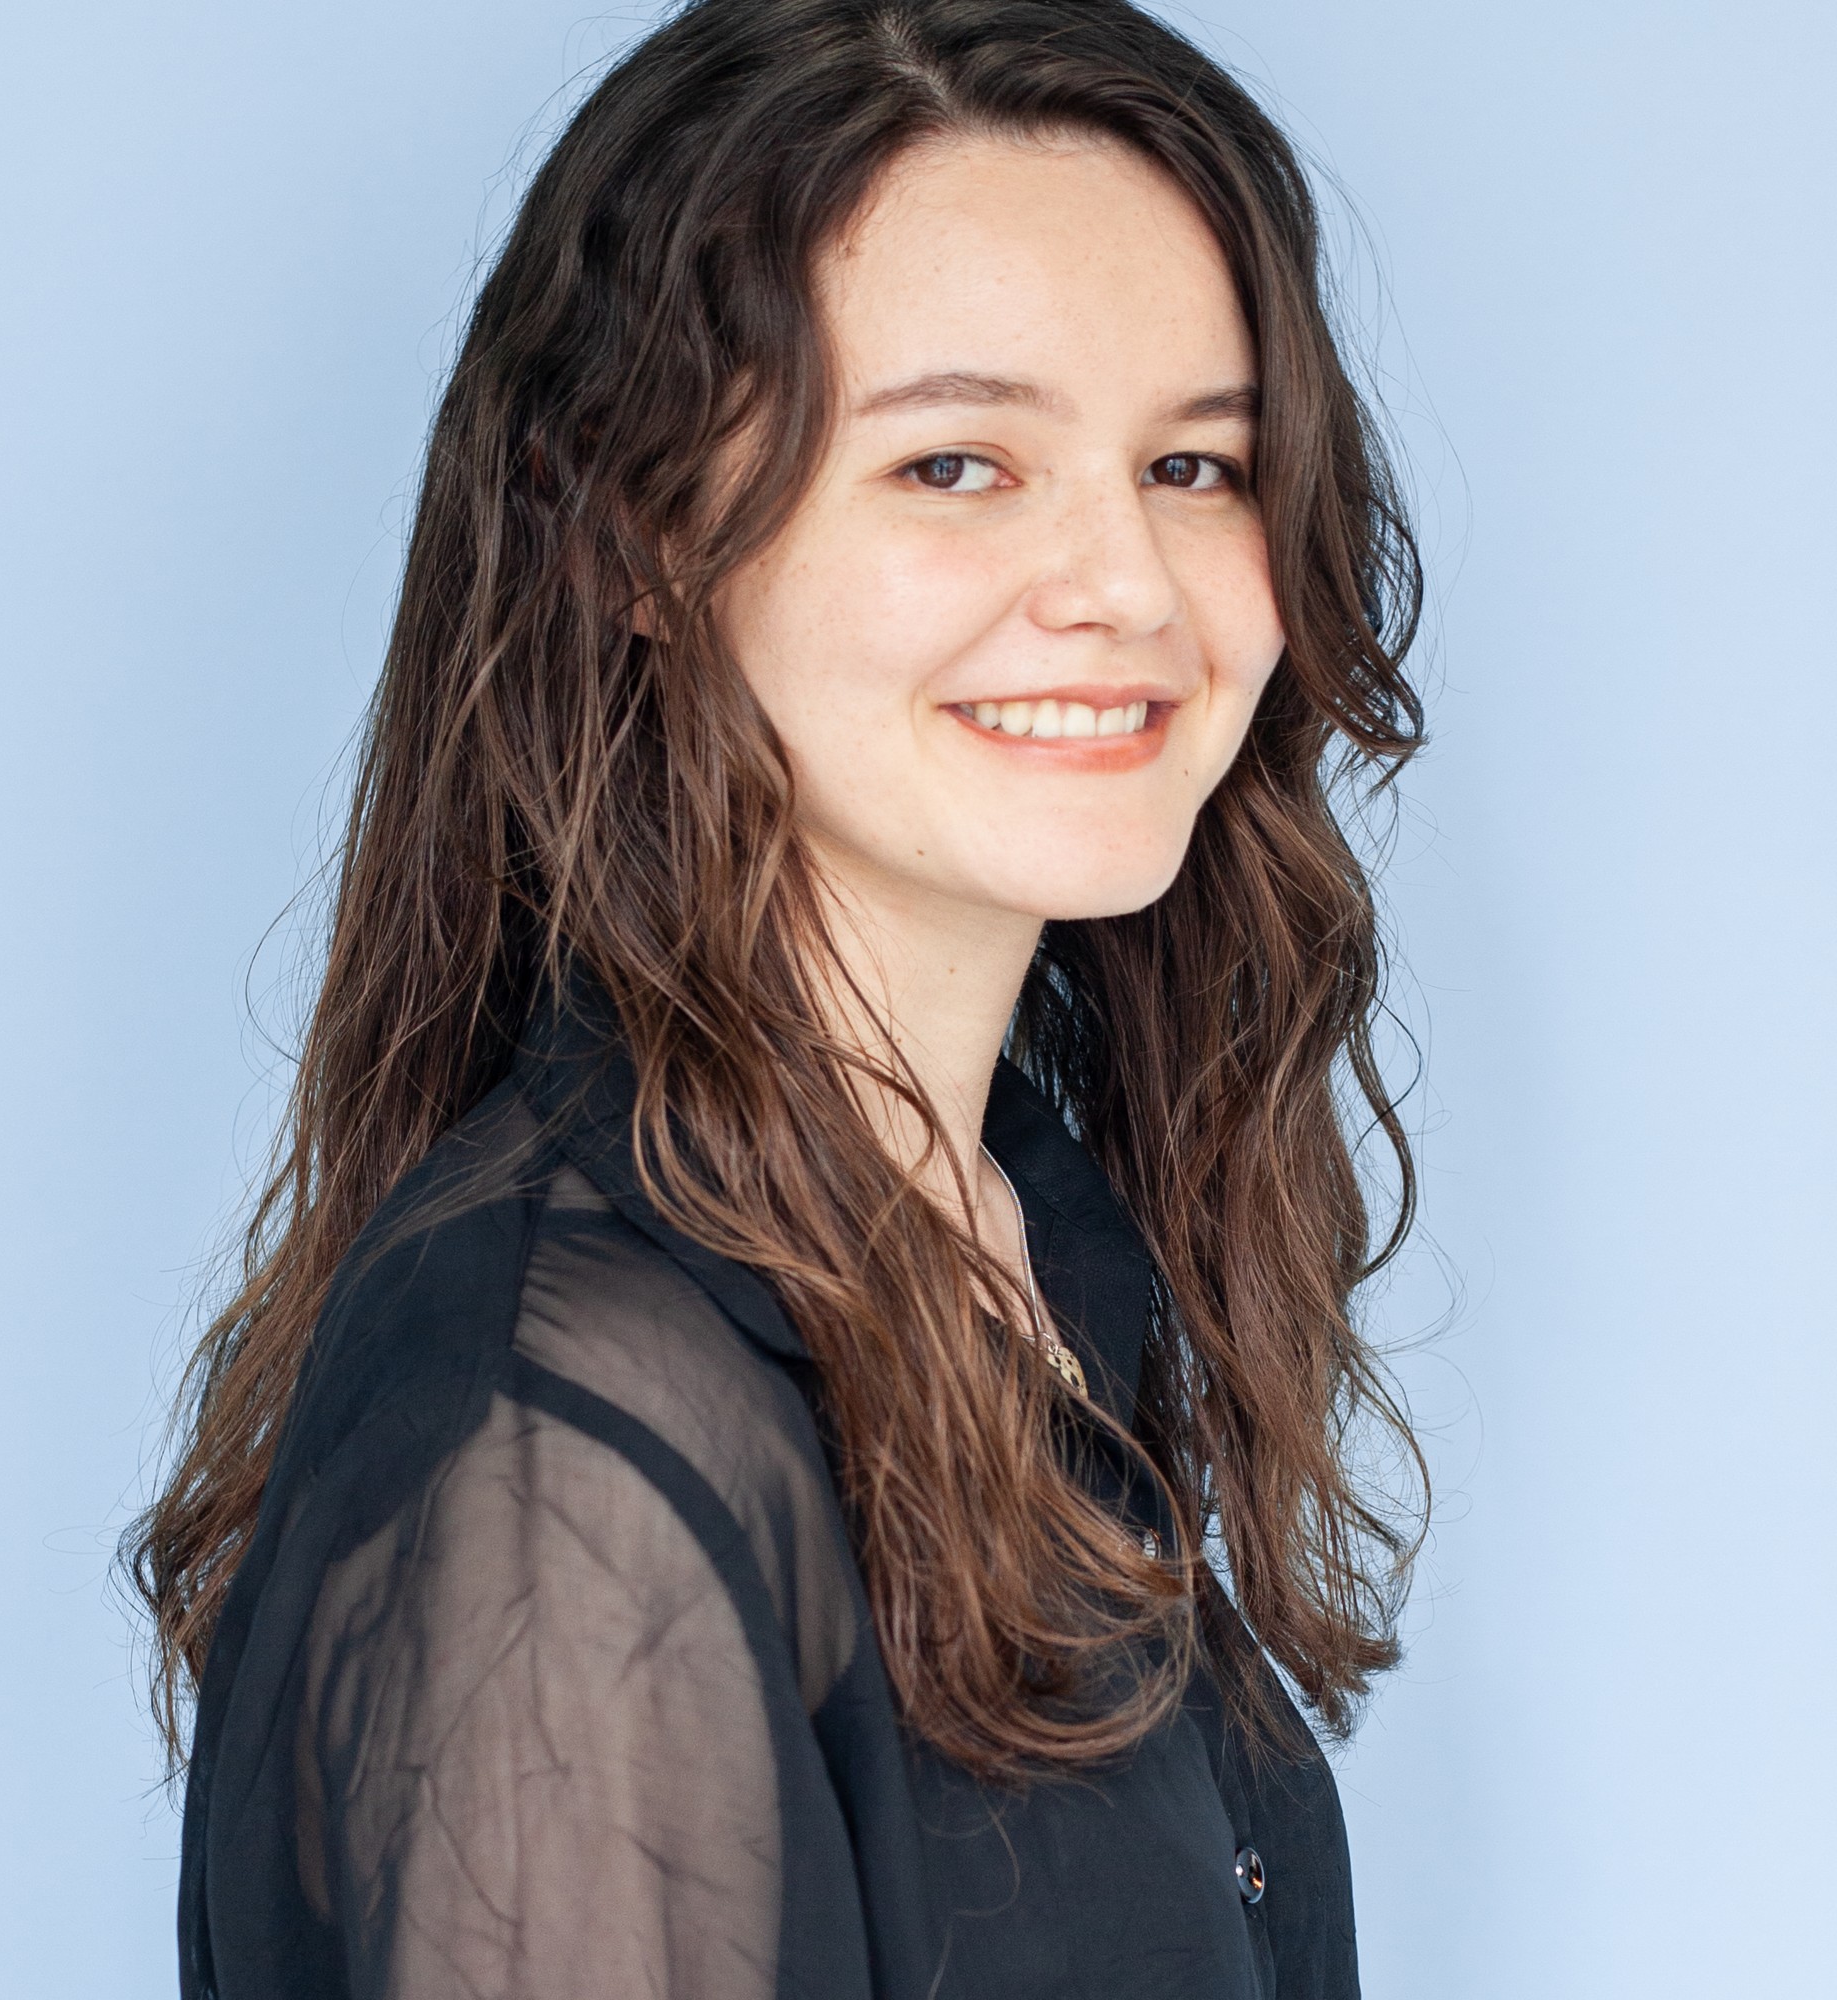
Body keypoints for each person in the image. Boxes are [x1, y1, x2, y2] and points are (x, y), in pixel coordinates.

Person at [128, 1, 1428, 1993]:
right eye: (957, 463)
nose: (1127, 586)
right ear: (636, 538)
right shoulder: (560, 1436)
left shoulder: (1019, 1238)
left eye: (1194, 462)